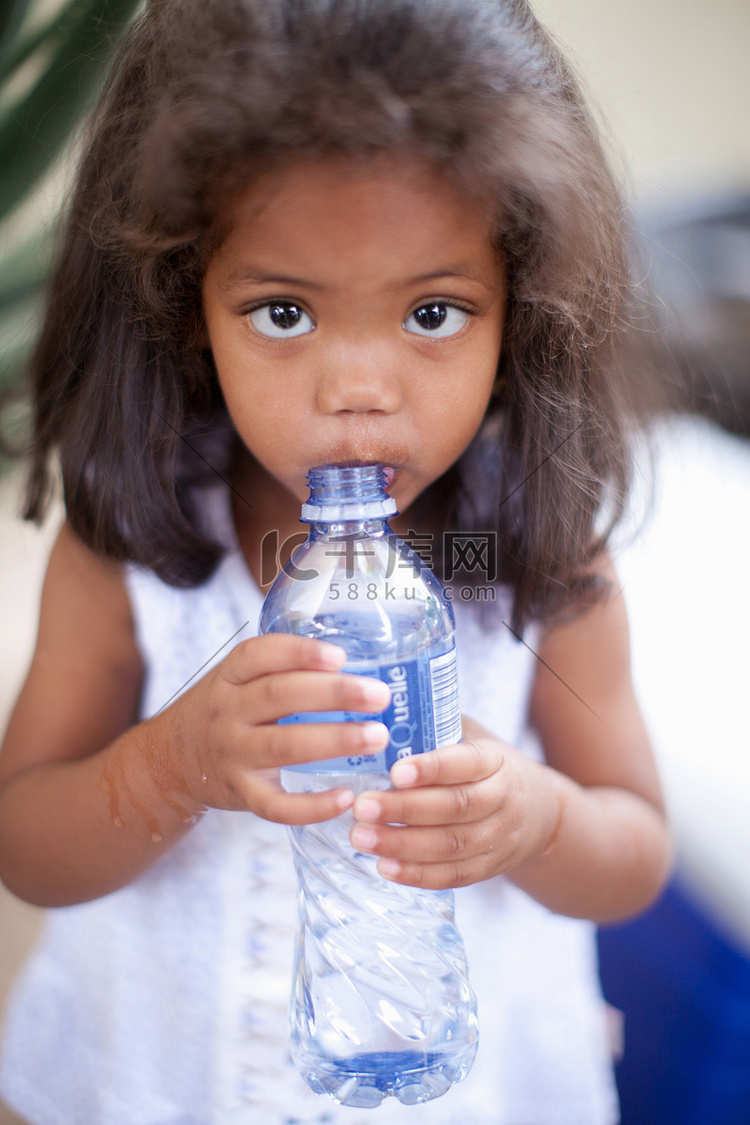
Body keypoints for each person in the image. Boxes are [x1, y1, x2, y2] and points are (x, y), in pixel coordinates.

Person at [0, 1, 673, 1122]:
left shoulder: (520, 557)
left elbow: (635, 848)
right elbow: (23, 843)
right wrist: (166, 766)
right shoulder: (145, 543)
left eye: (433, 312)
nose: (358, 388)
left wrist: (536, 819)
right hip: (160, 1084)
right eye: (281, 311)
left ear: (523, 309)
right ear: (182, 304)